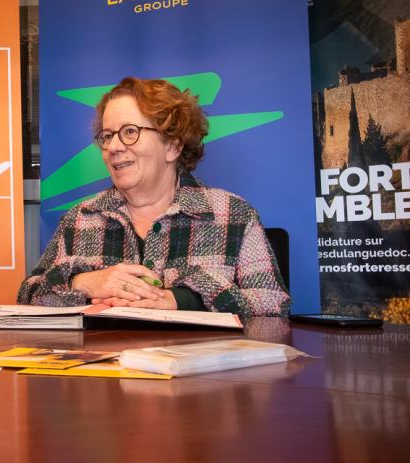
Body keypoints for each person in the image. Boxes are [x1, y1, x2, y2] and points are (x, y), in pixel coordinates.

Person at [17, 77, 289, 316]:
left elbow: (273, 304)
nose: (113, 147)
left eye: (130, 132)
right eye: (107, 136)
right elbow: (28, 295)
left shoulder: (232, 214)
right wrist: (83, 282)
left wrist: (182, 300)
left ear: (172, 146)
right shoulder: (79, 219)